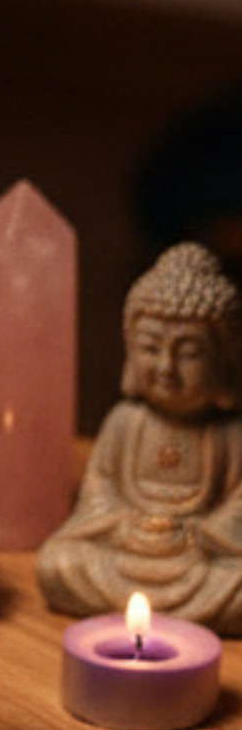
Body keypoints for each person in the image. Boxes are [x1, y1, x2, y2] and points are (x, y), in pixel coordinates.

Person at [36, 242, 242, 633]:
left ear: (224, 360)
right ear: (131, 352)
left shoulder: (231, 435)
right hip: (126, 552)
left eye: (189, 353)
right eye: (151, 348)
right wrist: (125, 525)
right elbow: (99, 489)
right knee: (58, 565)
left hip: (200, 561)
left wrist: (197, 534)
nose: (166, 368)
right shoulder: (124, 423)